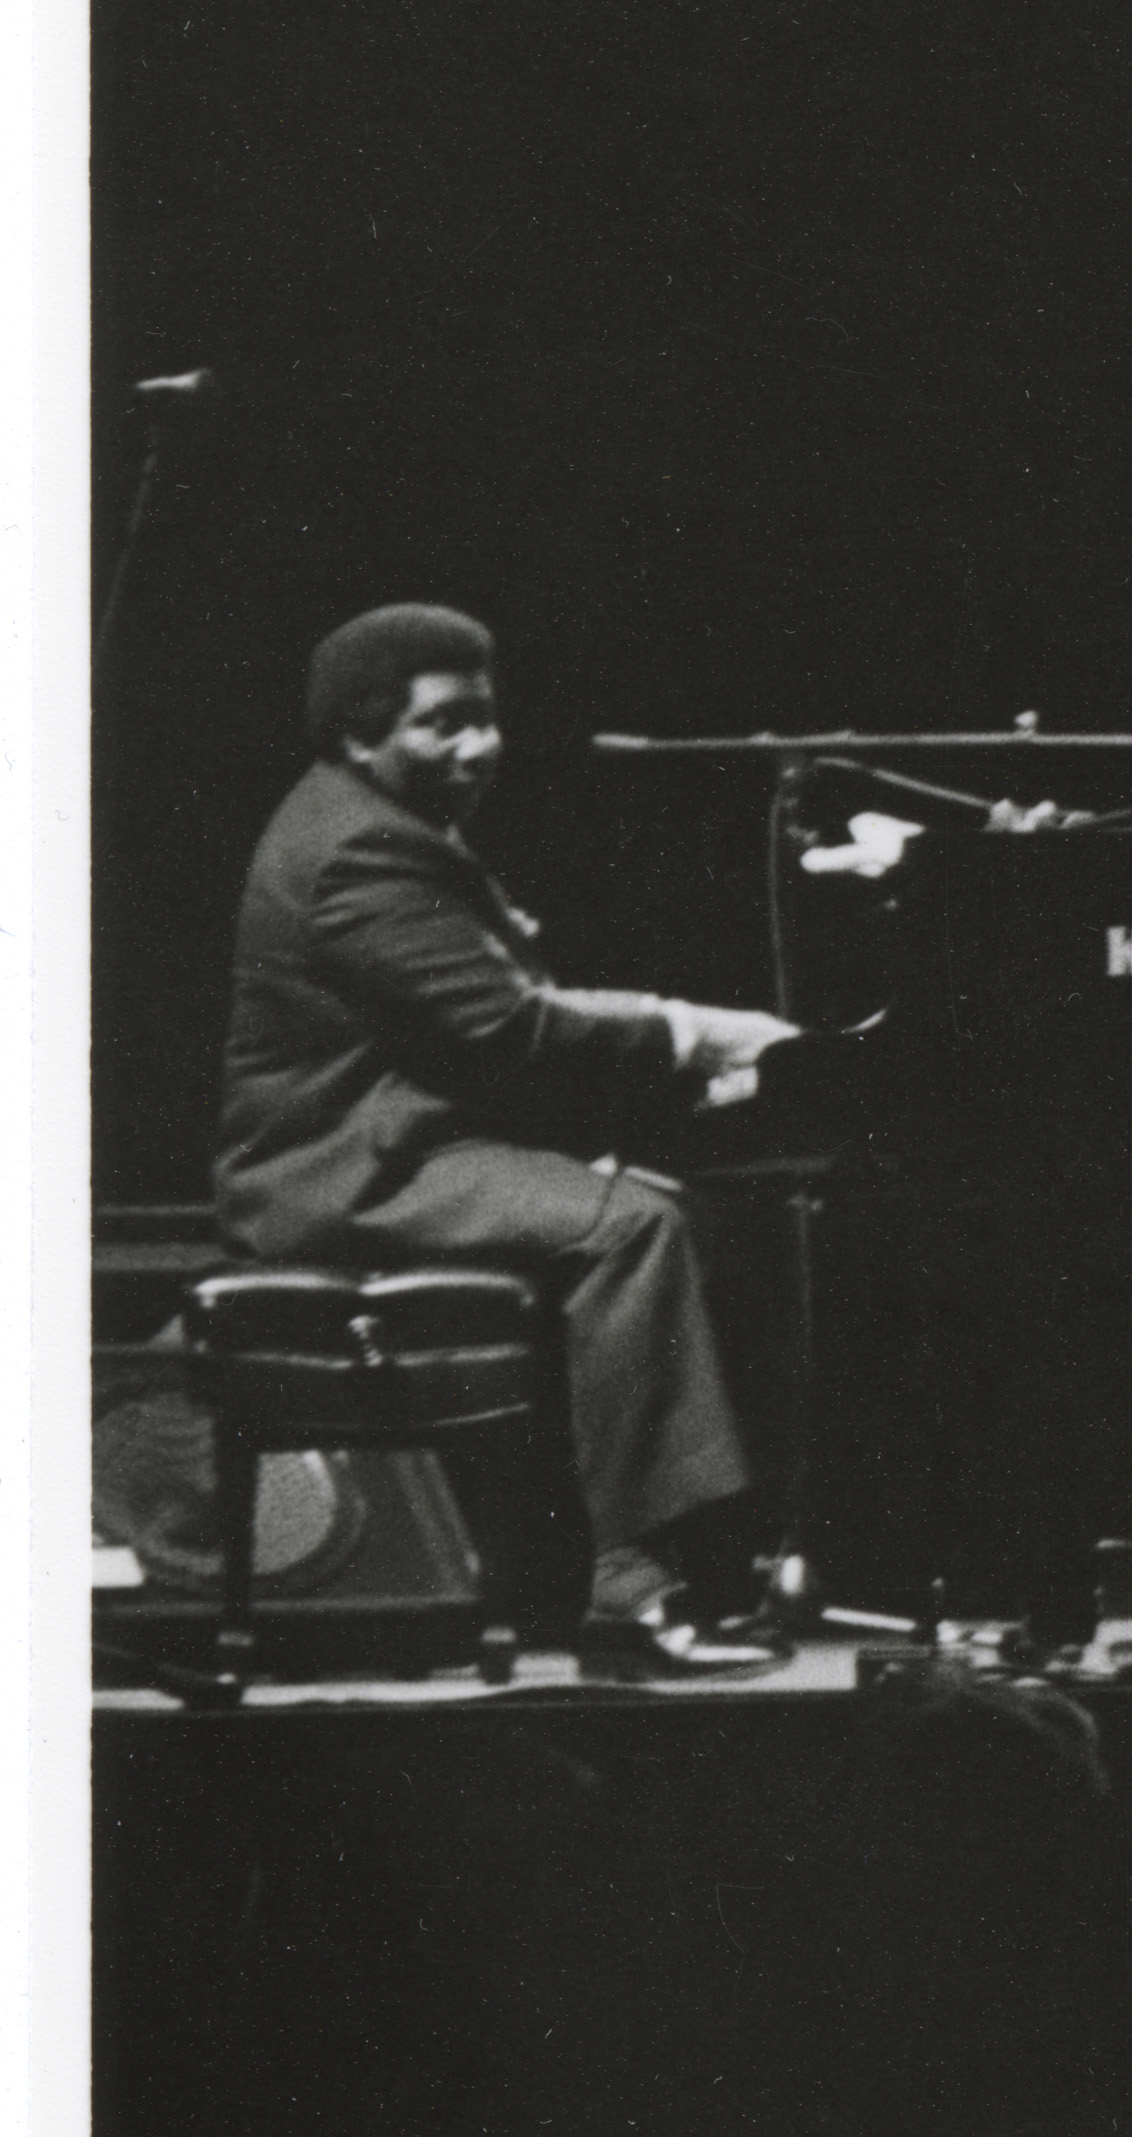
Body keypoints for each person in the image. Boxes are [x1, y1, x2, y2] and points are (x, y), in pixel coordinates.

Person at [217, 604, 797, 1673]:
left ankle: (724, 1560)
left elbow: (499, 1014)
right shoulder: (360, 847)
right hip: (351, 1169)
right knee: (633, 1229)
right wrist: (696, 1033)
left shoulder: (381, 820)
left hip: (410, 1145)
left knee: (692, 1210)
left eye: (486, 717)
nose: (480, 745)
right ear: (358, 735)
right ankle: (625, 1591)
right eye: (443, 723)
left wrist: (690, 1039)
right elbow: (509, 1030)